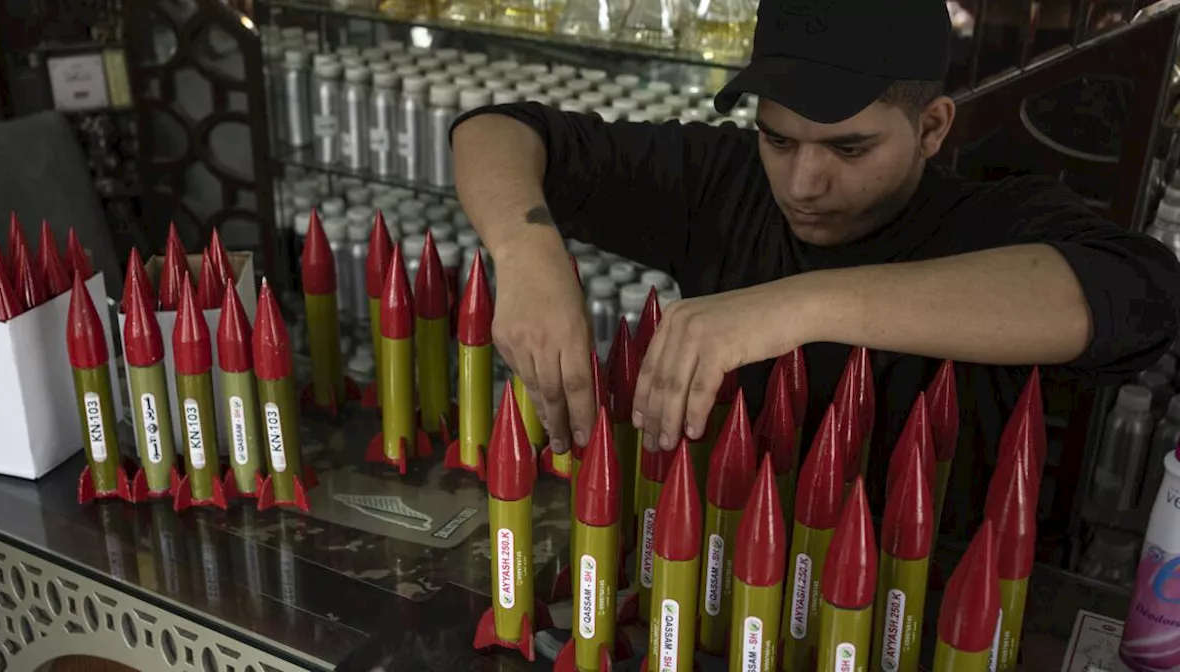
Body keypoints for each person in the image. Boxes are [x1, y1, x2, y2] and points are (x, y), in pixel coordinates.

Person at [448, 0, 1180, 482]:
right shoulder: (722, 179)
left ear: (932, 128)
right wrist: (529, 255)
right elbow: (497, 130)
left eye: (849, 149)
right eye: (777, 138)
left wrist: (790, 308)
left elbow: (1140, 295)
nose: (802, 183)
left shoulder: (991, 221)